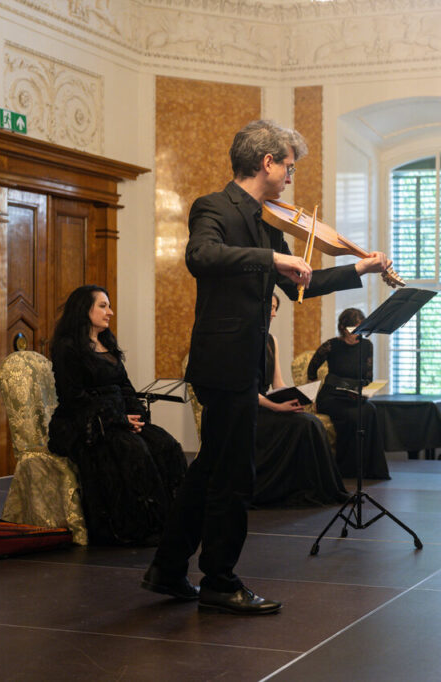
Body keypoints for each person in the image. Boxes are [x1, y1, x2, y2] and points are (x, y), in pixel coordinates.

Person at [142, 119, 392, 615]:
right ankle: (219, 580)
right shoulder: (213, 207)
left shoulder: (266, 220)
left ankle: (168, 569)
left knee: (210, 469)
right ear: (267, 163)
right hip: (223, 362)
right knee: (234, 475)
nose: (291, 178)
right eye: (289, 166)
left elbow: (303, 284)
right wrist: (274, 261)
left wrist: (359, 268)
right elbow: (201, 255)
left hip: (244, 363)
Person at [47, 285, 187, 546]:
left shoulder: (107, 343)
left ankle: (172, 520)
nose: (110, 312)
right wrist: (118, 420)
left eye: (109, 306)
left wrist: (135, 414)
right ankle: (137, 526)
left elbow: (125, 387)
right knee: (132, 450)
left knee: (165, 444)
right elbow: (73, 397)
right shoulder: (68, 348)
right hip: (86, 423)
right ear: (83, 310)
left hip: (119, 417)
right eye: (103, 306)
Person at [254, 294, 348, 506]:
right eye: (270, 307)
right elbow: (247, 391)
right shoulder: (243, 339)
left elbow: (278, 383)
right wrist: (277, 407)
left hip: (269, 405)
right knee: (304, 425)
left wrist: (297, 396)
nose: (274, 313)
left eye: (276, 308)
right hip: (251, 411)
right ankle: (303, 488)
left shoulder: (271, 340)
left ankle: (321, 489)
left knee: (311, 421)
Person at [307, 308, 390, 480]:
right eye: (352, 329)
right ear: (343, 327)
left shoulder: (366, 346)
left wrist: (367, 391)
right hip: (331, 397)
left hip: (353, 395)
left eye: (360, 329)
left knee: (371, 410)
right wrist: (312, 396)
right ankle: (346, 469)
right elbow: (311, 370)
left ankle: (369, 468)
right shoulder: (331, 345)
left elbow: (367, 377)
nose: (356, 334)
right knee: (353, 417)